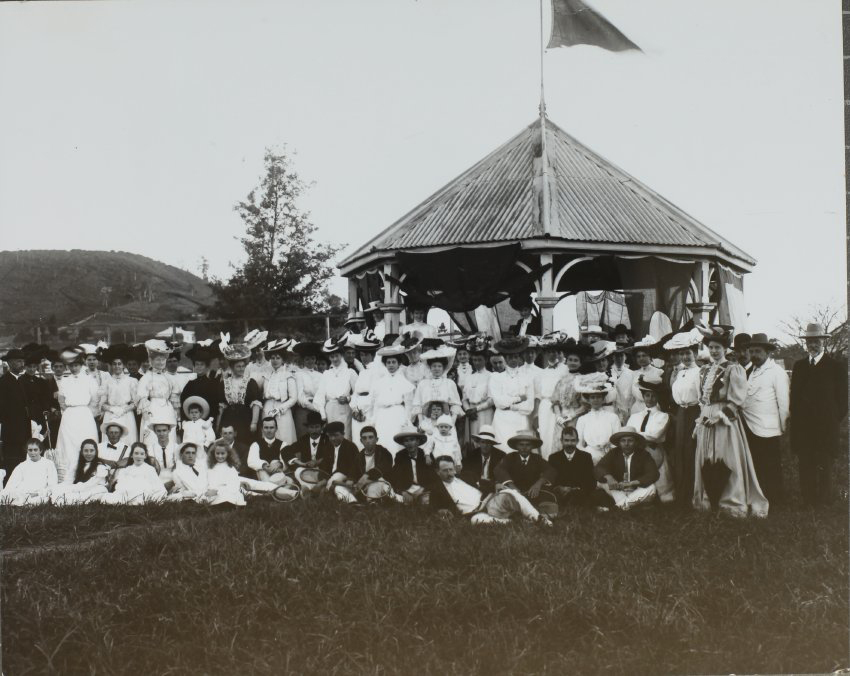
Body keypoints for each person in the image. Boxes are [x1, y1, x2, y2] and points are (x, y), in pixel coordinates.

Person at [693, 327, 768, 518]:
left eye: (718, 347)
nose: (714, 351)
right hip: (706, 417)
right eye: (711, 347)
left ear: (725, 349)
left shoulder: (734, 369)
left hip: (724, 419)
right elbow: (703, 399)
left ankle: (731, 502)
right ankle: (708, 500)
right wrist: (700, 420)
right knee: (706, 457)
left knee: (727, 458)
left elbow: (737, 400)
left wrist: (719, 416)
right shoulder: (703, 369)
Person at [790, 322, 848, 507]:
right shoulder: (799, 366)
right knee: (805, 464)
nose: (812, 345)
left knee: (824, 464)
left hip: (825, 427)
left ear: (823, 341)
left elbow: (843, 402)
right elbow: (795, 398)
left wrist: (830, 420)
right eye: (809, 342)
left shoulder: (836, 367)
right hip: (804, 428)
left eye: (816, 341)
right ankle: (808, 500)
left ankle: (823, 503)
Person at [740, 333, 789, 506]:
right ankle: (759, 497)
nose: (754, 355)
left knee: (771, 466)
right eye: (751, 351)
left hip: (768, 429)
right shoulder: (750, 371)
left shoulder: (777, 372)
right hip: (750, 426)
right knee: (756, 465)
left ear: (767, 353)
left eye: (758, 351)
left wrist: (782, 427)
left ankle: (776, 500)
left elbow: (784, 403)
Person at [430, 455, 550, 525]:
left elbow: (485, 483)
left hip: (489, 502)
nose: (450, 473)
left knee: (510, 492)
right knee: (478, 521)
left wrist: (495, 486)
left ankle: (538, 518)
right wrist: (441, 512)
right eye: (445, 471)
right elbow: (434, 509)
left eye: (451, 469)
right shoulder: (437, 489)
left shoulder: (466, 476)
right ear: (437, 471)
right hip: (474, 513)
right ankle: (516, 522)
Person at [664, 329, 703, 508]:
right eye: (682, 353)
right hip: (681, 414)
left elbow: (703, 397)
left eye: (688, 353)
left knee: (691, 452)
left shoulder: (700, 372)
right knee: (679, 452)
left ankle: (694, 494)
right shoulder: (680, 373)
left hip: (694, 413)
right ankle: (682, 494)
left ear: (695, 353)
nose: (685, 356)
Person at [54, 347, 100, 482]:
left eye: (76, 365)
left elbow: (95, 399)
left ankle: (87, 473)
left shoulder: (89, 379)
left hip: (84, 414)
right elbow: (61, 399)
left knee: (84, 441)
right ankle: (66, 475)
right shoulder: (64, 380)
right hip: (69, 416)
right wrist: (66, 410)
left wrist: (87, 413)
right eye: (71, 365)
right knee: (68, 443)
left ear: (81, 365)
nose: (73, 368)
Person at [626, 373, 674, 504]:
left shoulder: (663, 416)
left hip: (654, 451)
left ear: (657, 398)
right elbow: (627, 433)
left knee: (666, 495)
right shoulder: (635, 416)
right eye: (647, 395)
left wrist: (635, 435)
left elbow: (655, 435)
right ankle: (638, 494)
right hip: (636, 450)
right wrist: (636, 437)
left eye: (653, 396)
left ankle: (660, 495)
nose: (650, 399)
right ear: (643, 396)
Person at [493, 430, 558, 517]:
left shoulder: (537, 458)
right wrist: (512, 486)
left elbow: (551, 470)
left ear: (532, 446)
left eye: (528, 445)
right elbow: (499, 469)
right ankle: (520, 511)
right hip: (515, 493)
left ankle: (542, 514)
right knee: (504, 498)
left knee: (548, 496)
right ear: (516, 446)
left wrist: (538, 484)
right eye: (521, 444)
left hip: (532, 493)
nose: (524, 448)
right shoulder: (510, 457)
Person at [594, 426, 660, 511]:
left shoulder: (644, 455)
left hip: (636, 490)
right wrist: (609, 477)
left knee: (651, 488)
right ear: (619, 443)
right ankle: (630, 505)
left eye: (630, 440)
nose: (626, 444)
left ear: (636, 442)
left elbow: (653, 473)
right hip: (618, 489)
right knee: (601, 482)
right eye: (623, 440)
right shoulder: (613, 453)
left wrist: (631, 483)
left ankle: (617, 507)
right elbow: (599, 467)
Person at [488, 337, 535, 451]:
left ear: (519, 357)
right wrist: (519, 398)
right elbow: (499, 403)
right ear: (505, 358)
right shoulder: (496, 377)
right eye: (510, 357)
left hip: (520, 419)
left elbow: (529, 406)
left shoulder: (527, 377)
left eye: (515, 357)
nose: (513, 360)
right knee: (502, 450)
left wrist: (512, 405)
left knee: (520, 451)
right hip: (502, 420)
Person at [217, 340, 264, 444]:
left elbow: (256, 404)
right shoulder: (224, 383)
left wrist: (254, 422)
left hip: (245, 419)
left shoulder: (250, 382)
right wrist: (218, 424)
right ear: (232, 367)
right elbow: (221, 406)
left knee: (244, 444)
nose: (241, 369)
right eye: (238, 366)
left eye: (243, 366)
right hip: (229, 418)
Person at [369, 346, 415, 452]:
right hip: (382, 415)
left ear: (399, 364)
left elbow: (409, 404)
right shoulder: (379, 382)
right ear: (385, 364)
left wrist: (407, 420)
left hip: (397, 414)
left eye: (393, 362)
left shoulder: (404, 382)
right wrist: (373, 419)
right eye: (388, 362)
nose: (391, 365)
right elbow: (375, 403)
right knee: (382, 440)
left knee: (395, 442)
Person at [136, 340, 180, 447]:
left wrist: (176, 415)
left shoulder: (169, 378)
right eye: (158, 360)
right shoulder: (146, 378)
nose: (160, 362)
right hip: (153, 409)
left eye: (163, 360)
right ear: (151, 360)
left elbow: (174, 397)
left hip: (167, 409)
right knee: (152, 437)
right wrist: (146, 417)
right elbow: (142, 398)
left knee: (168, 436)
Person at [313, 336, 357, 439]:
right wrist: (323, 414)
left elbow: (357, 392)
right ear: (329, 358)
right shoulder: (326, 374)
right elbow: (320, 394)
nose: (335, 359)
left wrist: (348, 398)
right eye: (332, 357)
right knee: (331, 437)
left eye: (337, 355)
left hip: (344, 409)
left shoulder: (350, 372)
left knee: (345, 435)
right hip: (330, 410)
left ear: (341, 355)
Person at [0, 348, 34, 481]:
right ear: (10, 363)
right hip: (11, 431)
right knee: (12, 461)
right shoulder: (3, 382)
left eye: (22, 361)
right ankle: (11, 489)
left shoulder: (22, 381)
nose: (22, 364)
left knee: (24, 459)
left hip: (25, 429)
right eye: (19, 361)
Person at [98, 442, 167, 505]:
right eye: (136, 453)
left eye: (141, 454)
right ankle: (127, 500)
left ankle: (134, 501)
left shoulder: (149, 469)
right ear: (131, 455)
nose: (138, 456)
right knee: (106, 497)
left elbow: (158, 485)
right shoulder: (127, 470)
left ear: (145, 456)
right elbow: (120, 485)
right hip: (127, 493)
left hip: (142, 492)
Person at [549, 340, 588, 450]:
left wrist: (570, 416)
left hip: (575, 418)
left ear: (580, 363)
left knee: (573, 444)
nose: (572, 362)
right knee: (558, 445)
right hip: (560, 419)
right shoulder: (561, 379)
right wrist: (558, 415)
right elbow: (555, 400)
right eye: (570, 360)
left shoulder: (583, 380)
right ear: (566, 362)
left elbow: (585, 405)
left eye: (576, 360)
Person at [98, 344, 138, 446]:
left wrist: (124, 409)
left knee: (127, 441)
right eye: (114, 364)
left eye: (119, 364)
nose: (117, 366)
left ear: (123, 365)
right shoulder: (106, 382)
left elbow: (135, 402)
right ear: (111, 365)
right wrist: (112, 409)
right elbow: (102, 403)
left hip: (126, 414)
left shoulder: (131, 381)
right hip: (110, 414)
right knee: (110, 441)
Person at [318, 421, 368, 504]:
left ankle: (324, 497)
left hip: (345, 476)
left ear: (343, 434)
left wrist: (350, 479)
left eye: (336, 435)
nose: (333, 438)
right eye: (330, 436)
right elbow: (324, 465)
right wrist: (323, 479)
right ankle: (314, 491)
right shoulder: (328, 447)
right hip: (330, 475)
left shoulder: (350, 447)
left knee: (336, 478)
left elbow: (353, 468)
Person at [547, 426, 596, 507]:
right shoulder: (553, 458)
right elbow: (551, 480)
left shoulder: (586, 457)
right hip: (561, 494)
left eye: (573, 440)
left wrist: (574, 489)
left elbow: (591, 481)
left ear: (577, 441)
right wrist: (560, 488)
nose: (569, 444)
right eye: (566, 440)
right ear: (561, 441)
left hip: (580, 493)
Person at [574, 379, 620, 464]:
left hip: (608, 454)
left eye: (599, 397)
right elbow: (578, 443)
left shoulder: (613, 417)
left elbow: (617, 440)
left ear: (603, 399)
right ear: (588, 400)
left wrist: (610, 450)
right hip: (588, 455)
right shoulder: (582, 419)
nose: (596, 400)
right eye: (592, 397)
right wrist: (586, 455)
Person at [413, 345, 463, 423]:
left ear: (444, 368)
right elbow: (417, 404)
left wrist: (452, 422)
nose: (436, 369)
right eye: (434, 366)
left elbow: (456, 404)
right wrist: (421, 422)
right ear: (430, 368)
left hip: (445, 421)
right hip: (427, 420)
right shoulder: (423, 384)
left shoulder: (449, 383)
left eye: (439, 366)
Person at [350, 331, 384, 448]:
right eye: (362, 355)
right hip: (358, 410)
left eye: (367, 355)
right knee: (357, 439)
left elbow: (375, 394)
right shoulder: (362, 372)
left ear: (373, 356)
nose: (364, 358)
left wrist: (363, 410)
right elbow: (355, 393)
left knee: (369, 439)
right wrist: (354, 408)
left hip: (369, 411)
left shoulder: (378, 372)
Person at [536, 336, 567, 459]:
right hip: (545, 407)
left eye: (554, 351)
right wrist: (536, 415)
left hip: (560, 407)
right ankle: (546, 461)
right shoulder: (542, 373)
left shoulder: (565, 369)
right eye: (549, 352)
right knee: (545, 435)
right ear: (545, 354)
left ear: (558, 353)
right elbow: (538, 394)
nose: (551, 354)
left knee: (559, 435)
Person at [51, 438, 110, 504]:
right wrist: (61, 488)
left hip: (94, 489)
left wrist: (70, 489)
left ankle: (66, 499)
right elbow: (69, 480)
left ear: (96, 452)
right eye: (86, 451)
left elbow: (89, 485)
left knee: (92, 492)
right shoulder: (78, 465)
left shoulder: (101, 467)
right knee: (58, 489)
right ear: (82, 452)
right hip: (80, 489)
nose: (89, 453)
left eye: (91, 451)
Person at [262, 339, 298, 444]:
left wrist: (280, 409)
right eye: (272, 358)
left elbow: (293, 398)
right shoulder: (267, 375)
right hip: (268, 408)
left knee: (283, 437)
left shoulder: (288, 375)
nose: (275, 360)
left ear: (283, 359)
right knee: (268, 437)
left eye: (278, 358)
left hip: (283, 410)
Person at [0, 438, 57, 505]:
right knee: (5, 494)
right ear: (27, 451)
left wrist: (38, 493)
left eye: (35, 450)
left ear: (40, 451)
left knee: (39, 499)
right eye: (30, 450)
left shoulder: (48, 464)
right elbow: (11, 484)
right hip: (22, 492)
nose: (33, 453)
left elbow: (52, 485)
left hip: (39, 493)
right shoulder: (22, 466)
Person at [247, 417, 299, 488]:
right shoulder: (256, 444)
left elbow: (287, 460)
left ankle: (272, 491)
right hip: (262, 475)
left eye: (271, 427)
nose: (269, 430)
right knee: (261, 471)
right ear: (262, 429)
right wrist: (264, 465)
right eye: (266, 428)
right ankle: (278, 490)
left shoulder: (283, 444)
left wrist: (279, 464)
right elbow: (251, 461)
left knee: (275, 462)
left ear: (276, 429)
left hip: (278, 474)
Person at [390, 425, 433, 504]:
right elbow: (396, 476)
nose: (409, 443)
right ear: (403, 443)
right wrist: (403, 491)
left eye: (412, 440)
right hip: (407, 488)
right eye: (406, 440)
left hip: (422, 488)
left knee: (427, 502)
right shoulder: (400, 456)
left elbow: (432, 476)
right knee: (396, 498)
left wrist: (425, 489)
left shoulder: (425, 455)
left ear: (418, 441)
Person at [461, 343, 495, 444]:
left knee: (484, 437)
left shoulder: (491, 376)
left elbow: (492, 399)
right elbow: (464, 399)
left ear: (486, 360)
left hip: (485, 412)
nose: (477, 362)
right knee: (472, 440)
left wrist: (476, 409)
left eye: (480, 360)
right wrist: (468, 410)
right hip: (471, 413)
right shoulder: (469, 377)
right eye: (475, 360)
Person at [461, 425, 505, 496]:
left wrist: (493, 485)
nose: (485, 445)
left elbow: (502, 476)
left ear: (492, 444)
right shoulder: (472, 456)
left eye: (488, 442)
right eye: (483, 442)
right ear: (479, 442)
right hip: (476, 487)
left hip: (495, 490)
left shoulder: (501, 456)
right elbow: (466, 474)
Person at [180, 344, 221, 422]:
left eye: (202, 365)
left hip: (207, 420)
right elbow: (184, 402)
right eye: (197, 364)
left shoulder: (212, 384)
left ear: (207, 367)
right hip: (192, 420)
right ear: (194, 366)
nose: (199, 367)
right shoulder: (190, 384)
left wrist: (210, 420)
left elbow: (214, 405)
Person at [293, 342, 323, 437]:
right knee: (303, 437)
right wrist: (313, 407)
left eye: (313, 359)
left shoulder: (321, 376)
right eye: (307, 359)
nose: (310, 361)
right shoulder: (298, 374)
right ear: (303, 360)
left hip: (319, 409)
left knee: (318, 437)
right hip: (304, 409)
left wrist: (320, 408)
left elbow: (323, 393)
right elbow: (300, 397)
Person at [629, 336, 665, 415]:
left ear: (650, 357)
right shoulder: (633, 373)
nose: (641, 358)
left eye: (644, 355)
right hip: (637, 408)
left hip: (654, 407)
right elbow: (631, 396)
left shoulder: (659, 372)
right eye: (638, 356)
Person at [146, 417, 178, 485]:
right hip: (156, 480)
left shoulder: (176, 447)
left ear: (169, 430)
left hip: (174, 480)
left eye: (164, 430)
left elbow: (179, 469)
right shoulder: (150, 449)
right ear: (155, 432)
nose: (162, 433)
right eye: (159, 431)